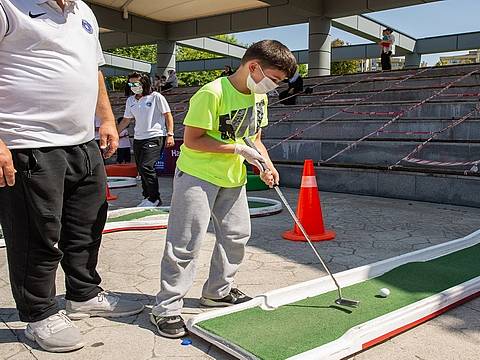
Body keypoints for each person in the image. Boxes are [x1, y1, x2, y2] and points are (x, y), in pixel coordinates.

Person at [0, 0, 143, 353]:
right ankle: (39, 312)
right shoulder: (8, 6)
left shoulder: (82, 11)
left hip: (81, 142)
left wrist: (107, 119)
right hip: (28, 141)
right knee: (38, 234)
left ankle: (83, 295)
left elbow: (93, 70)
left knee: (86, 226)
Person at [149, 39, 296, 338]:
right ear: (254, 67)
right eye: (273, 79)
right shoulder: (212, 93)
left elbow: (254, 138)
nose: (274, 87)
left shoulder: (259, 98)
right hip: (197, 175)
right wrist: (237, 152)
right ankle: (166, 307)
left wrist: (266, 165)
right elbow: (192, 140)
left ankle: (217, 291)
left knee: (237, 235)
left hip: (232, 178)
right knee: (185, 242)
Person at [117, 73, 175, 207]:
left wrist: (170, 134)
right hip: (138, 138)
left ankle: (155, 198)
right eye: (131, 84)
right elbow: (126, 120)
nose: (133, 87)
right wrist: (114, 134)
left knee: (146, 166)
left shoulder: (156, 97)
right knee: (141, 169)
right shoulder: (130, 100)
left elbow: (168, 115)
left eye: (136, 84)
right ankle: (147, 197)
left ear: (144, 83)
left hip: (155, 136)